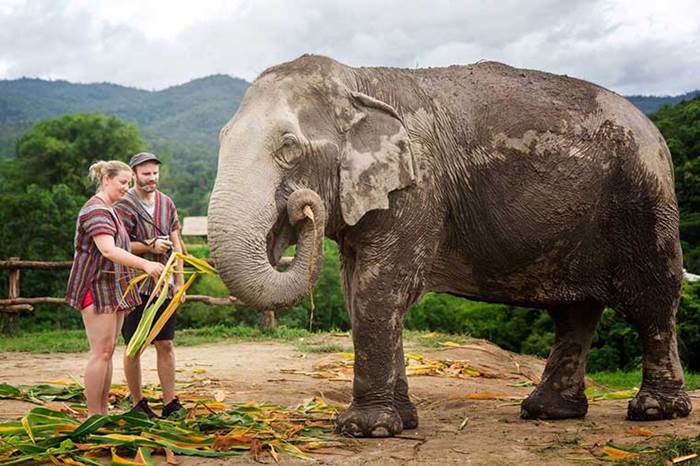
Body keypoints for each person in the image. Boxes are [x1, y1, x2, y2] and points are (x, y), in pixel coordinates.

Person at [66, 160, 164, 416]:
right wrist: (145, 264)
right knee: (100, 352)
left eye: (129, 183)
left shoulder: (111, 210)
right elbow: (108, 250)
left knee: (108, 351)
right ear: (106, 180)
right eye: (123, 182)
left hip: (113, 287)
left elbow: (122, 245)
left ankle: (102, 413)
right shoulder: (95, 210)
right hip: (95, 287)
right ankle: (92, 415)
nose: (126, 188)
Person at [115, 152, 185, 418]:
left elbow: (176, 244)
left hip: (164, 285)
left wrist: (179, 283)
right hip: (134, 285)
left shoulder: (167, 203)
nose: (152, 178)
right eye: (146, 174)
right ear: (134, 174)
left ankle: (171, 403)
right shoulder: (123, 205)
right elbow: (118, 245)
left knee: (165, 343)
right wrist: (149, 246)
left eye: (155, 173)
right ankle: (138, 404)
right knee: (134, 344)